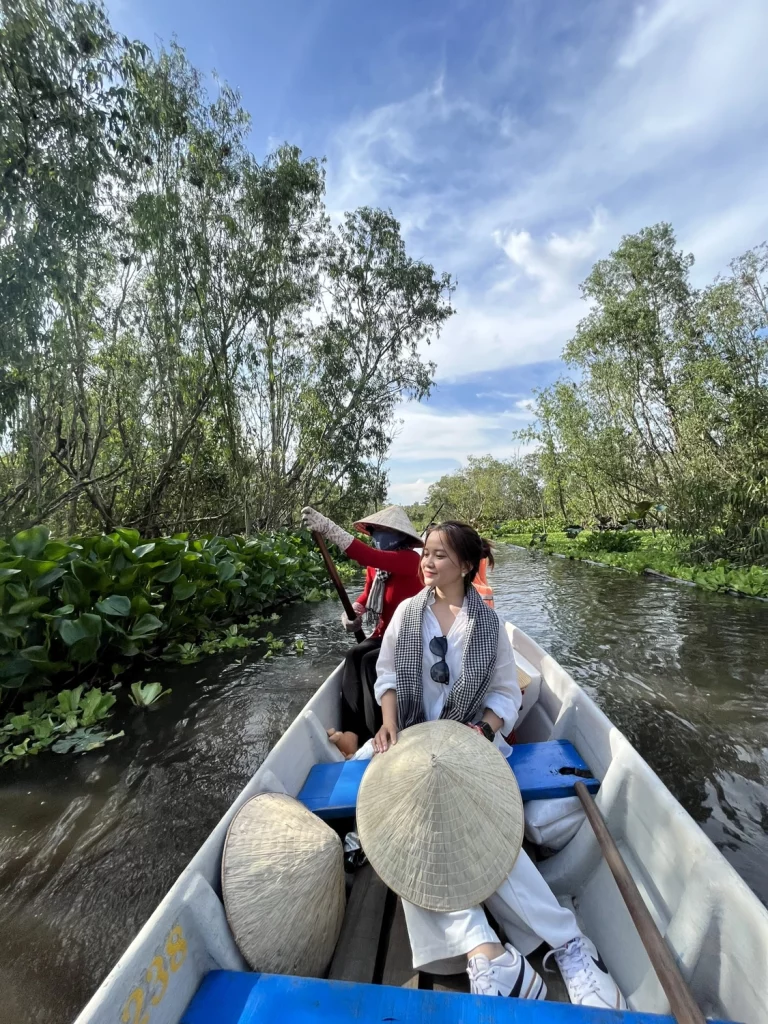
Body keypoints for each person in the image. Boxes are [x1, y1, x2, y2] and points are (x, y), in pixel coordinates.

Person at [369, 521, 626, 1009]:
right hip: (414, 742)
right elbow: (386, 676)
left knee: (475, 830)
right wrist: (387, 725)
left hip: (474, 745)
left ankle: (561, 949)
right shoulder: (406, 613)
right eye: (426, 552)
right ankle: (491, 949)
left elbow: (507, 694)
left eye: (440, 555)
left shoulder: (487, 625)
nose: (427, 561)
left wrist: (484, 731)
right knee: (407, 833)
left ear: (466, 566)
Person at [301, 504, 423, 756]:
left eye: (382, 531)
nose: (377, 537)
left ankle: (375, 733)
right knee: (354, 655)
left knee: (370, 663)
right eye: (374, 531)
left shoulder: (410, 560)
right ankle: (352, 735)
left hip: (408, 637)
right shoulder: (377, 568)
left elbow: (366, 555)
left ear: (400, 536)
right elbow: (368, 594)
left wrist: (329, 528)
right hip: (383, 634)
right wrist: (355, 610)